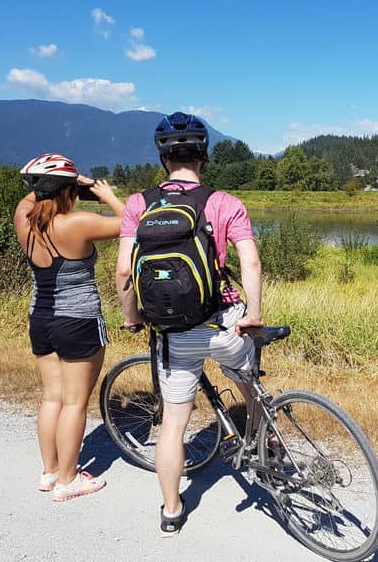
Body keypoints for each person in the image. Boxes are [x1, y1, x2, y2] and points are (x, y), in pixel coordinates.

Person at [115, 113, 262, 536]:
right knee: (247, 375)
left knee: (174, 424)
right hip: (222, 323)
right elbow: (250, 261)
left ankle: (172, 509)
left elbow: (124, 272)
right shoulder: (224, 202)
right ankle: (261, 432)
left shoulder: (138, 204)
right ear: (204, 156)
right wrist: (252, 313)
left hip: (173, 335)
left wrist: (132, 316)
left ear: (163, 157)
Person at [14, 153, 125, 501]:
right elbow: (131, 223)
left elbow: (31, 197)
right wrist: (104, 193)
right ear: (68, 190)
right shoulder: (78, 223)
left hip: (41, 318)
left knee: (52, 397)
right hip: (77, 320)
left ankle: (49, 472)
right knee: (75, 403)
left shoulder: (23, 218)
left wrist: (57, 184)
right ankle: (68, 480)